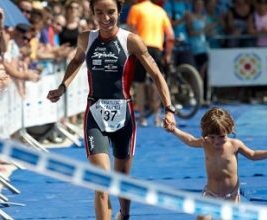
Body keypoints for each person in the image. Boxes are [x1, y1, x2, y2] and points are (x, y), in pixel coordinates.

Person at [47, 0, 176, 219]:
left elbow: (156, 75)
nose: (105, 18)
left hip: (124, 116)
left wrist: (169, 108)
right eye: (99, 13)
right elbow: (77, 60)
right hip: (95, 115)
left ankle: (124, 214)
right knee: (102, 182)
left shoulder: (131, 41)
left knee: (122, 180)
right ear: (92, 14)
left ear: (119, 12)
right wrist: (62, 87)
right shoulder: (86, 38)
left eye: (110, 12)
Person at [169, 107, 267, 220]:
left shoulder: (235, 145)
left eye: (221, 137)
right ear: (206, 134)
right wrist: (175, 130)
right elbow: (190, 140)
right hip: (211, 193)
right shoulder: (205, 143)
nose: (216, 141)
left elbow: (253, 155)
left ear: (229, 130)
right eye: (212, 137)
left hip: (231, 195)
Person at [127, 0, 174, 127]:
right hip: (157, 49)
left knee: (139, 84)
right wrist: (168, 54)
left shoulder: (135, 8)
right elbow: (170, 36)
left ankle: (142, 118)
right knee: (157, 81)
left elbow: (131, 31)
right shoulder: (160, 10)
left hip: (141, 47)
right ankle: (157, 117)